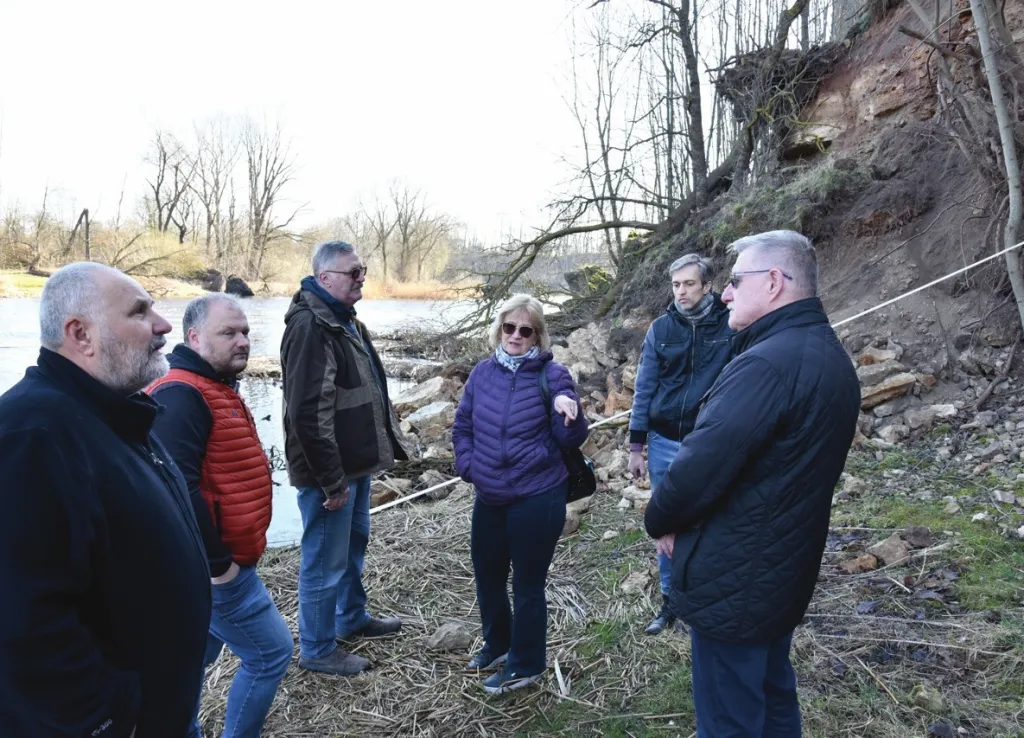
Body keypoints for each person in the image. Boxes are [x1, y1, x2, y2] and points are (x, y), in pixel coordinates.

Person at [643, 230, 861, 737]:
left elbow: (699, 468)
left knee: (729, 719)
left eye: (737, 280)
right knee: (772, 693)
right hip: (781, 571)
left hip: (736, 578)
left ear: (776, 283)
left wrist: (658, 518)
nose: (725, 292)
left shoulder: (765, 365)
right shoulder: (828, 355)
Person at [0, 262, 211, 738]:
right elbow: (22, 622)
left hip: (163, 708)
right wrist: (109, 719)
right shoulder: (30, 437)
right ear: (81, 334)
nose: (163, 325)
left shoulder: (117, 413)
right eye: (140, 312)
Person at [146, 294, 292, 738]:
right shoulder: (181, 393)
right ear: (193, 336)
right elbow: (177, 488)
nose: (242, 341)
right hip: (215, 570)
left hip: (219, 564)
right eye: (228, 333)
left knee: (193, 658)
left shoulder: (212, 385)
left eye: (245, 332)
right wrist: (220, 568)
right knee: (270, 654)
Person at [280, 240, 410, 676]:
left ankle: (351, 618)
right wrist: (331, 481)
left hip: (354, 467)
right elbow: (307, 413)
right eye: (352, 272)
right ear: (324, 279)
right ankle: (317, 649)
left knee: (352, 548)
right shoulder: (310, 326)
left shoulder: (342, 318)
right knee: (324, 561)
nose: (361, 278)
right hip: (329, 475)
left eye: (363, 270)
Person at [452, 294, 590, 695]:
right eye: (509, 327)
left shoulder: (554, 376)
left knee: (527, 585)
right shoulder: (481, 374)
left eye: (525, 330)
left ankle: (526, 664)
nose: (515, 335)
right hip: (489, 496)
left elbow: (571, 437)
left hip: (537, 496)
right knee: (488, 578)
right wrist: (469, 467)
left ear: (537, 336)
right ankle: (498, 645)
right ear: (499, 329)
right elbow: (462, 429)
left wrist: (571, 408)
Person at [627, 253, 733, 635]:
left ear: (706, 285)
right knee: (666, 523)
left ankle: (705, 596)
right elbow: (644, 389)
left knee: (713, 520)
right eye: (676, 285)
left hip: (711, 443)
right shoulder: (661, 329)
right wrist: (635, 446)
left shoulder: (730, 322)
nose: (681, 292)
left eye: (689, 284)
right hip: (663, 439)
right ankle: (671, 601)